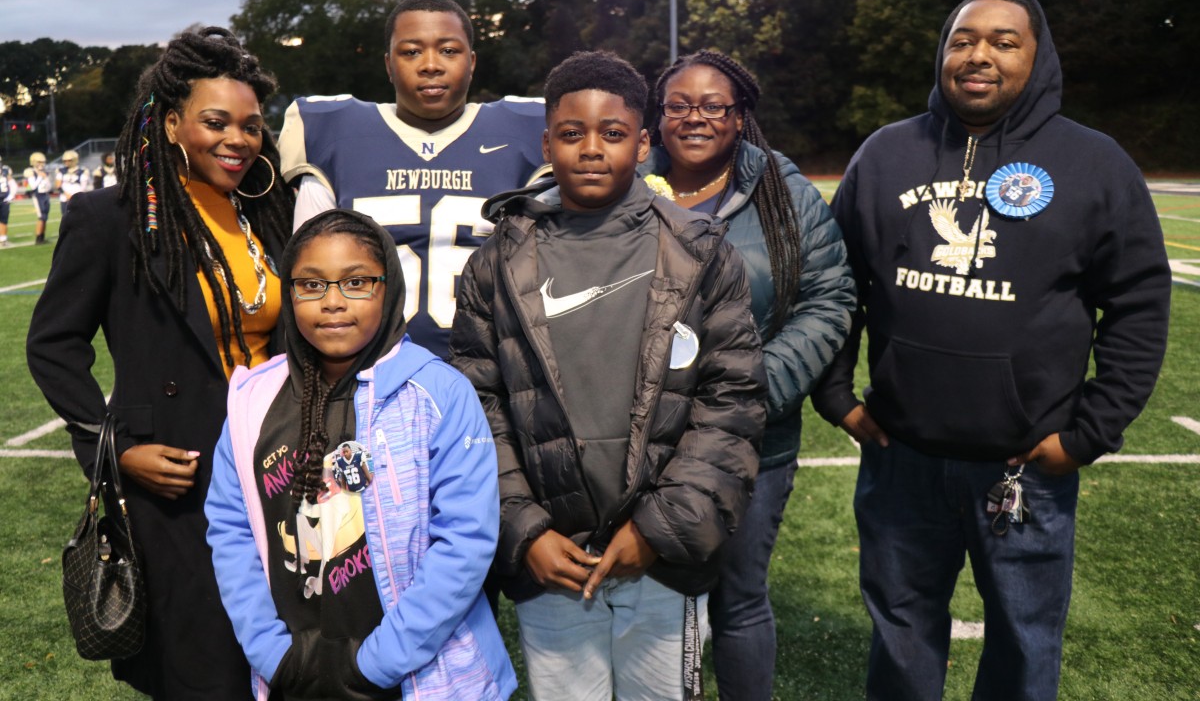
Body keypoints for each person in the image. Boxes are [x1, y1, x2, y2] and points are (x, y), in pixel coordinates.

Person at [810, 0, 1171, 701]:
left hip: (1025, 468)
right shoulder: (887, 153)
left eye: (1004, 42)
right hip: (901, 461)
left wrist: (1090, 433)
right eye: (962, 39)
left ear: (1037, 60)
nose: (978, 55)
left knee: (1024, 641)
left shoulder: (1094, 163)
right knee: (900, 631)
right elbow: (835, 283)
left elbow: (1137, 303)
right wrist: (835, 395)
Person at [450, 51, 766, 701]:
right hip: (552, 562)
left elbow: (731, 406)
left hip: (662, 561)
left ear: (644, 143)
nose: (591, 149)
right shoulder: (495, 265)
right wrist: (524, 529)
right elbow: (478, 412)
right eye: (571, 134)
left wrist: (659, 528)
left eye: (613, 133)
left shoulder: (702, 252)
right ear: (546, 142)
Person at [26, 27, 293, 700]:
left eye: (251, 125)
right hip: (180, 484)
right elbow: (53, 346)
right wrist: (113, 447)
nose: (237, 139)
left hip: (281, 473)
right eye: (215, 122)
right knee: (205, 670)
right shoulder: (108, 218)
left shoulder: (266, 212)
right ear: (171, 123)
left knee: (286, 661)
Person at [206, 208, 517, 701]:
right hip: (293, 671)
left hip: (417, 677)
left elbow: (465, 540)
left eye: (356, 283)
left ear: (389, 288)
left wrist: (377, 663)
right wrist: (274, 655)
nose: (332, 302)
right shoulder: (252, 399)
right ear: (289, 294)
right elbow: (230, 528)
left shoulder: (439, 392)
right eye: (311, 285)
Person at [639, 50, 856, 701]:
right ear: (658, 115)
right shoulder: (624, 178)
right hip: (638, 438)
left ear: (740, 119)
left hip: (749, 437)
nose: (695, 117)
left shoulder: (782, 192)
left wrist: (753, 390)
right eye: (679, 104)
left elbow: (829, 298)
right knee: (641, 598)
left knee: (739, 598)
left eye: (714, 106)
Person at [280, 0, 546, 359]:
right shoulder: (333, 134)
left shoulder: (528, 133)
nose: (430, 65)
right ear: (388, 65)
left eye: (449, 50)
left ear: (472, 63)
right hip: (368, 371)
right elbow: (307, 278)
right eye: (411, 52)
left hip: (490, 372)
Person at [58, 149, 90, 214]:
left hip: (78, 199)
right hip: (65, 198)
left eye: (69, 160)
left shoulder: (82, 171)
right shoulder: (61, 171)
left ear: (74, 159)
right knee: (66, 220)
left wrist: (75, 196)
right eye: (65, 160)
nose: (67, 162)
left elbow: (84, 187)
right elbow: (58, 185)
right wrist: (66, 195)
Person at [28, 151, 51, 244]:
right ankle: (38, 238)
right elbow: (33, 186)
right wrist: (40, 177)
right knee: (41, 217)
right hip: (37, 196)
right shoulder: (31, 172)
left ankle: (42, 236)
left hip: (45, 195)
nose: (41, 164)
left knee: (45, 217)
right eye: (39, 162)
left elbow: (49, 187)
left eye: (42, 162)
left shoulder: (44, 173)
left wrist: (45, 178)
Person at [0, 160, 14, 245]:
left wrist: (10, 196)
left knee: (4, 220)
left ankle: (3, 239)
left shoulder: (5, 170)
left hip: (4, 199)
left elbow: (12, 183)